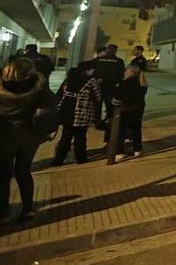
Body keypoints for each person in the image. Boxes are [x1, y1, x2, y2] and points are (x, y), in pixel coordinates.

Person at [0, 58, 56, 224]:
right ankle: (28, 210)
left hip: (4, 134)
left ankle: (3, 214)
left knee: (3, 175)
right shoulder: (39, 87)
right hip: (29, 135)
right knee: (23, 171)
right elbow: (49, 106)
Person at [52, 65, 101, 165]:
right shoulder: (91, 81)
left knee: (66, 136)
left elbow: (59, 95)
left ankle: (58, 159)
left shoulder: (67, 81)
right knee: (80, 136)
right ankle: (81, 158)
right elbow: (98, 97)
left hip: (67, 111)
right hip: (82, 112)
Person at [111, 65, 148, 162]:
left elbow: (117, 98)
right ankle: (137, 149)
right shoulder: (142, 83)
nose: (124, 73)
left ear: (131, 72)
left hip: (126, 110)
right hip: (138, 109)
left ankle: (119, 152)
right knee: (136, 129)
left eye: (126, 71)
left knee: (121, 131)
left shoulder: (124, 83)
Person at [94, 44, 125, 126]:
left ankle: (98, 120)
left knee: (100, 104)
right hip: (109, 86)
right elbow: (120, 76)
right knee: (108, 105)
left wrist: (100, 79)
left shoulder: (99, 60)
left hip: (101, 85)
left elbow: (95, 72)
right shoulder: (118, 61)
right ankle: (107, 120)